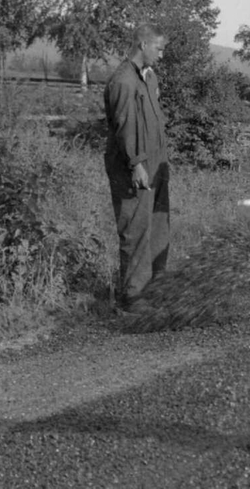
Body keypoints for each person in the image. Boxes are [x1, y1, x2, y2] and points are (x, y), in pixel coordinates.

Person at [103, 23, 172, 311]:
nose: (162, 54)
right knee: (135, 229)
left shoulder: (149, 78)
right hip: (135, 166)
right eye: (159, 48)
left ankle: (156, 289)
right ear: (143, 45)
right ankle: (133, 296)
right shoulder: (123, 81)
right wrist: (136, 164)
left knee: (158, 228)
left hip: (157, 163)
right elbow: (125, 128)